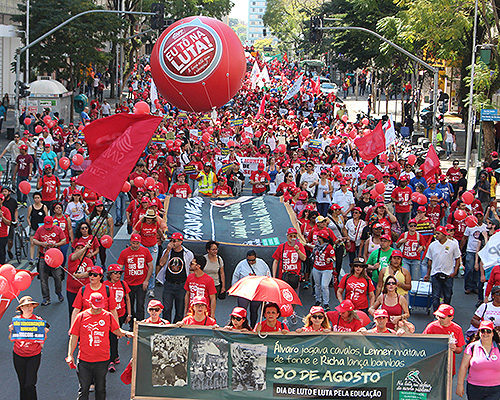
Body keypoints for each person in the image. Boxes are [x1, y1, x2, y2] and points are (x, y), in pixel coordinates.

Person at [67, 292, 133, 400]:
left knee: (100, 388)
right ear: (89, 303)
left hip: (102, 360)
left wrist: (127, 333)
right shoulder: (81, 316)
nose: (98, 309)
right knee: (83, 389)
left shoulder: (108, 316)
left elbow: (116, 330)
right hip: (84, 360)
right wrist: (70, 355)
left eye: (100, 306)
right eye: (96, 306)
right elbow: (74, 337)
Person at [9, 296, 49, 400]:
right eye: (26, 306)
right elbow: (11, 338)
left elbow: (42, 339)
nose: (29, 307)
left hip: (34, 355)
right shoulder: (17, 321)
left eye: (30, 305)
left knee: (30, 384)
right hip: (18, 355)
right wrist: (11, 331)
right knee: (22, 384)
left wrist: (44, 333)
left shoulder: (38, 320)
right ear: (21, 308)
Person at [456, 320, 500, 399]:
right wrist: (460, 385)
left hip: (496, 389)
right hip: (474, 388)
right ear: (479, 333)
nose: (485, 333)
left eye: (488, 331)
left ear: (493, 333)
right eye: (482, 331)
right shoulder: (471, 347)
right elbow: (464, 367)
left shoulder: (499, 348)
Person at [157, 232, 194, 323]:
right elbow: (161, 263)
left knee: (180, 310)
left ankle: (177, 328)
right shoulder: (168, 251)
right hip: (169, 284)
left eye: (175, 241)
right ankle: (166, 327)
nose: (172, 243)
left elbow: (191, 269)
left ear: (180, 242)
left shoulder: (188, 253)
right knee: (166, 309)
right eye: (171, 240)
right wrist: (168, 250)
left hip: (181, 285)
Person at [117, 233, 153, 324]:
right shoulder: (124, 253)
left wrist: (146, 280)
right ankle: (132, 324)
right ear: (130, 242)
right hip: (128, 283)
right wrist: (118, 281)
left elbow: (150, 266)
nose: (135, 245)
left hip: (141, 282)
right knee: (130, 304)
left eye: (137, 243)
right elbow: (119, 267)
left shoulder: (145, 251)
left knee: (140, 305)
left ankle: (140, 324)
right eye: (133, 243)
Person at [425, 226, 461, 311]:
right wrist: (428, 274)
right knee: (435, 295)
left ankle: (446, 311)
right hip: (435, 273)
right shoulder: (432, 245)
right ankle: (436, 313)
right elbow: (429, 260)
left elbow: (457, 258)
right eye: (436, 233)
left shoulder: (453, 245)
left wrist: (455, 272)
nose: (436, 235)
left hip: (448, 274)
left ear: (444, 235)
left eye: (438, 234)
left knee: (447, 295)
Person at [423, 304, 465, 376]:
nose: (439, 319)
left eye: (442, 317)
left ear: (451, 317)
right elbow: (422, 342)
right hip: (432, 367)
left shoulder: (457, 329)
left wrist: (454, 348)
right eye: (438, 317)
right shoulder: (431, 327)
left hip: (448, 367)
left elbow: (460, 349)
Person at [33, 215, 66, 306]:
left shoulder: (58, 229)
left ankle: (58, 292)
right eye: (47, 227)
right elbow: (34, 240)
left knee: (57, 277)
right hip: (43, 257)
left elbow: (64, 240)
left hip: (55, 257)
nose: (48, 229)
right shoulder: (40, 229)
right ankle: (46, 298)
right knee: (43, 279)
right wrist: (41, 243)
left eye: (50, 227)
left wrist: (56, 244)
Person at [232, 250, 271, 327]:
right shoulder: (241, 264)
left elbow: (268, 276)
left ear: (255, 257)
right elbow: (235, 276)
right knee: (242, 310)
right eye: (249, 260)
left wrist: (267, 292)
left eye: (253, 260)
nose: (251, 262)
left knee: (254, 310)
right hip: (244, 291)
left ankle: (253, 327)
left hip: (257, 291)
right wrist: (235, 289)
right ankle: (243, 326)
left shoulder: (262, 263)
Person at [105, 264, 131, 373]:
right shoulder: (105, 285)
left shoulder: (123, 284)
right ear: (110, 274)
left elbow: (128, 299)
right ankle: (111, 359)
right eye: (116, 273)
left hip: (120, 314)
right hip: (108, 316)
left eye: (120, 273)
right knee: (111, 337)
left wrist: (129, 314)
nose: (118, 275)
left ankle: (114, 356)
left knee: (115, 336)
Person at [132, 208, 164, 297]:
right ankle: (140, 285)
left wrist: (162, 237)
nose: (149, 220)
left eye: (151, 218)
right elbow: (134, 233)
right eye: (148, 218)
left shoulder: (155, 223)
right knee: (141, 267)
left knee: (152, 269)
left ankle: (151, 289)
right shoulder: (141, 223)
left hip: (153, 246)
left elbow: (158, 230)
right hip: (143, 246)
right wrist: (134, 242)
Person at [272, 227, 306, 292]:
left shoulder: (299, 246)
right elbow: (276, 261)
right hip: (283, 276)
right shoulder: (282, 246)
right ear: (287, 236)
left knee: (294, 295)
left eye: (294, 236)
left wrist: (298, 250)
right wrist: (274, 276)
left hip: (295, 276)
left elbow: (303, 258)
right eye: (290, 236)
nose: (292, 238)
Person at [66, 240, 93, 319]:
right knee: (73, 311)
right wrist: (85, 248)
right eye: (78, 248)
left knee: (85, 311)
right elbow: (75, 256)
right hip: (72, 291)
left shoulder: (88, 261)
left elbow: (89, 273)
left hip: (84, 290)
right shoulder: (72, 258)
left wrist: (79, 276)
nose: (80, 249)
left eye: (81, 247)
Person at [311, 229, 335, 310]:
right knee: (317, 285)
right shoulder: (316, 246)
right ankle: (318, 300)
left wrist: (330, 260)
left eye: (319, 237)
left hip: (326, 269)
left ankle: (326, 303)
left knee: (324, 286)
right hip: (316, 268)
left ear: (323, 238)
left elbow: (334, 257)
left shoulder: (329, 247)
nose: (317, 238)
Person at [88, 200, 114, 267]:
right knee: (93, 252)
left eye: (101, 206)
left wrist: (111, 237)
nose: (100, 207)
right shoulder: (91, 216)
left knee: (102, 252)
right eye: (98, 206)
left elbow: (111, 226)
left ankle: (103, 264)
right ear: (95, 207)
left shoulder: (108, 215)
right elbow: (87, 225)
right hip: (94, 237)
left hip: (103, 237)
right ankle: (93, 264)